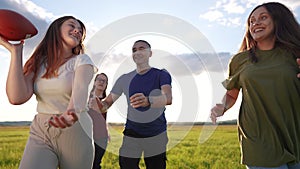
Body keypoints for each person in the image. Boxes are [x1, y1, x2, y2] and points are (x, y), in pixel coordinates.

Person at [210, 2, 300, 169]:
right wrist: (221, 106)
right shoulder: (240, 60)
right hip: (258, 139)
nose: (255, 23)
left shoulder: (295, 54)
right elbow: (232, 94)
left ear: (278, 21)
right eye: (251, 21)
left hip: (293, 136)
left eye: (263, 18)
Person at [0, 16, 97, 169]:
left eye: (81, 31)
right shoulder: (39, 63)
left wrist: (71, 113)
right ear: (56, 30)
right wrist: (16, 52)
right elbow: (16, 97)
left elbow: (80, 89)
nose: (77, 30)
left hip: (76, 130)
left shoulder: (82, 61)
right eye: (71, 25)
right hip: (42, 129)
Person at [98, 40, 172, 169]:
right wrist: (99, 105)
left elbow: (168, 98)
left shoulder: (161, 74)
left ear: (150, 53)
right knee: (126, 165)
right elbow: (107, 103)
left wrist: (148, 100)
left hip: (156, 133)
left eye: (141, 48)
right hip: (132, 132)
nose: (137, 52)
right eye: (134, 50)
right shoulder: (124, 79)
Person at [88, 73, 109, 169]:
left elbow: (103, 119)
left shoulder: (106, 101)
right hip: (87, 136)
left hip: (101, 138)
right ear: (94, 82)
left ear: (106, 85)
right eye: (99, 79)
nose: (101, 82)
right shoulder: (86, 98)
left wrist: (107, 131)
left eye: (104, 81)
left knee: (96, 165)